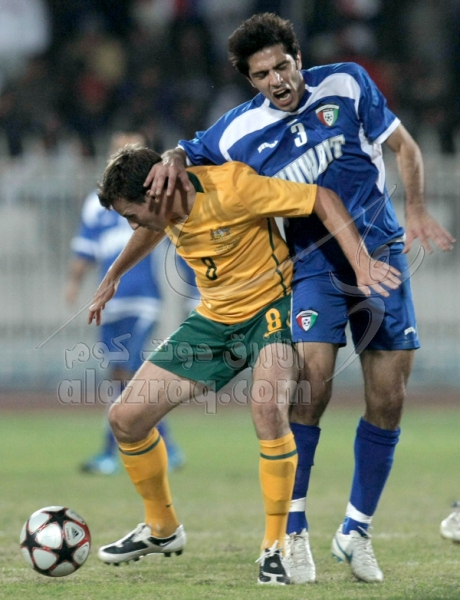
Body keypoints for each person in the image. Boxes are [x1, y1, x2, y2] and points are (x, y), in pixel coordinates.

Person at [143, 13, 456, 584]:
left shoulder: (347, 82)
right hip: (312, 266)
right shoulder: (238, 132)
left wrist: (415, 208)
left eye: (282, 66)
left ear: (298, 59)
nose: (277, 80)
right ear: (250, 80)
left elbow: (404, 146)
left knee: (389, 397)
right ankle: (293, 531)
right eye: (262, 74)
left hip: (380, 253)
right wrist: (170, 158)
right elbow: (186, 152)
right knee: (310, 391)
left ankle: (356, 531)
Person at [88, 144, 400, 585]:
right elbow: (153, 227)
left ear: (157, 192)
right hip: (215, 319)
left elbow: (320, 198)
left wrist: (361, 261)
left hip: (272, 311)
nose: (132, 225)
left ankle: (276, 547)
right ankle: (162, 528)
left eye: (131, 215)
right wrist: (113, 275)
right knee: (125, 418)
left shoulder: (233, 187)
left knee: (268, 409)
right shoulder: (164, 208)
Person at [66, 132, 185, 475]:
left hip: (143, 297)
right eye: (118, 149)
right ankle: (164, 445)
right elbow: (86, 247)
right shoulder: (98, 204)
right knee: (121, 373)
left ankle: (117, 450)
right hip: (112, 303)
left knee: (131, 371)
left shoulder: (156, 199)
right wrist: (75, 282)